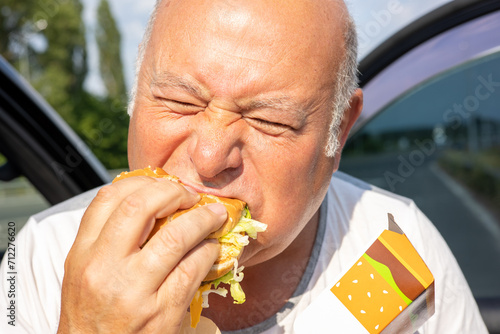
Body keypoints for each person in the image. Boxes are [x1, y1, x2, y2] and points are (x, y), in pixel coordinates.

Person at [0, 0, 487, 333]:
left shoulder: (393, 249)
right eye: (178, 100)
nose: (209, 159)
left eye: (268, 120)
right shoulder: (45, 258)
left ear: (338, 131)